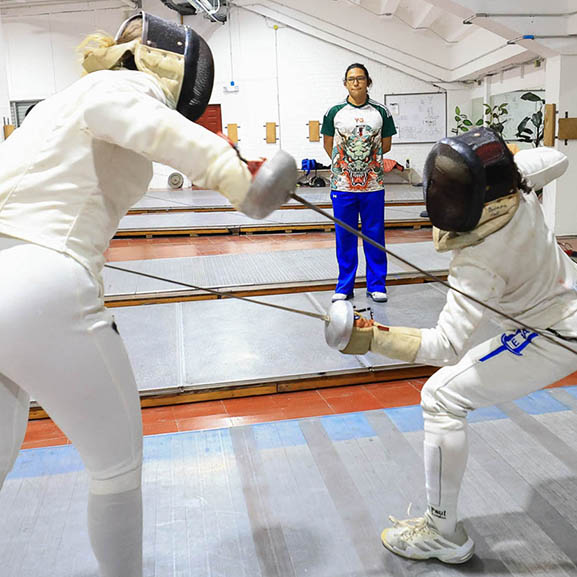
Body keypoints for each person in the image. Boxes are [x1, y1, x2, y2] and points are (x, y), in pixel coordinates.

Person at [0, 11, 288, 577]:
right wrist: (237, 178)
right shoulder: (120, 87)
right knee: (115, 465)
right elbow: (138, 120)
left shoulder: (56, 104)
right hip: (41, 286)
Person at [339, 127, 577, 564]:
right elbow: (558, 159)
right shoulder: (519, 180)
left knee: (441, 397)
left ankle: (441, 533)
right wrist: (514, 161)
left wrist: (371, 337)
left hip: (555, 335)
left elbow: (446, 345)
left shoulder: (479, 260)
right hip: (568, 303)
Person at [321, 63, 397, 304]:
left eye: (360, 78)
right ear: (345, 83)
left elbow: (386, 145)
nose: (356, 82)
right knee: (345, 237)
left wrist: (366, 162)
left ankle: (377, 285)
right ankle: (345, 286)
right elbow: (328, 145)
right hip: (342, 187)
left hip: (372, 186)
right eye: (351, 79)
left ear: (368, 82)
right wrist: (344, 166)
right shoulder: (334, 112)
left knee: (374, 235)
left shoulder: (381, 112)